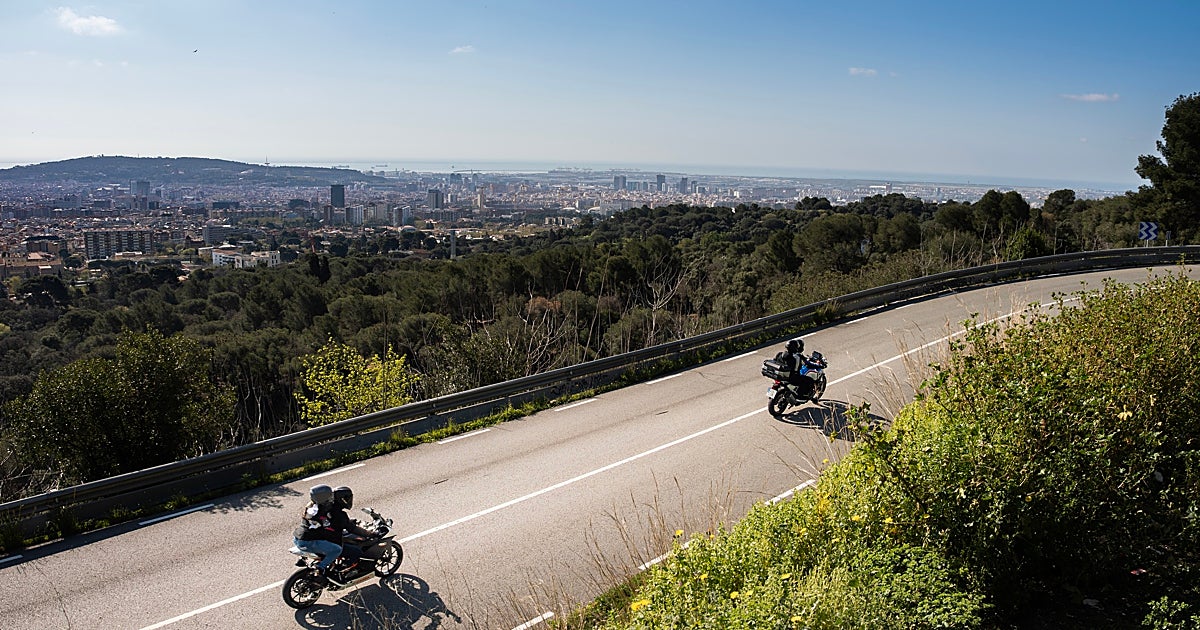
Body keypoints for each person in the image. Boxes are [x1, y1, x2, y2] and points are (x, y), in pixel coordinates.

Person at [292, 484, 342, 577]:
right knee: (337, 549)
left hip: (297, 538)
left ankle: (303, 558)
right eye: (329, 495)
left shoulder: (310, 507)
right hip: (307, 542)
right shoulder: (321, 510)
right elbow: (328, 525)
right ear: (323, 497)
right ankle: (320, 567)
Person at [325, 486, 376, 574]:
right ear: (342, 499)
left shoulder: (328, 508)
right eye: (347, 498)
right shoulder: (339, 514)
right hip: (332, 541)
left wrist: (348, 522)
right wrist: (369, 534)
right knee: (356, 551)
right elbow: (352, 529)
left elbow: (341, 523)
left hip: (324, 537)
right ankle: (342, 570)